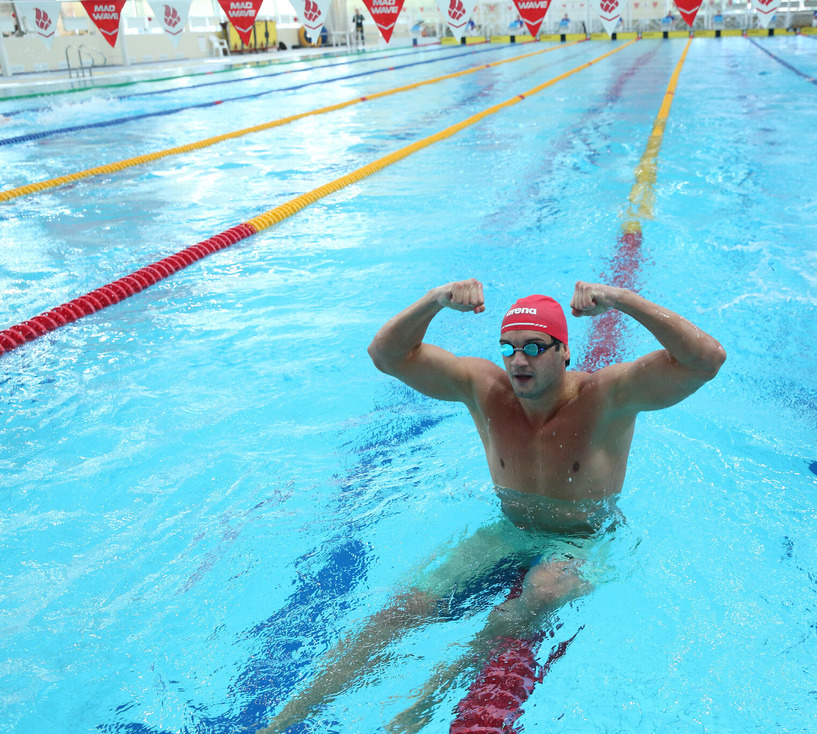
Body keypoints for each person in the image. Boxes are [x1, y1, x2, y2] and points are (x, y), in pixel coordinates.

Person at [258, 280, 724, 732]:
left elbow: (706, 359)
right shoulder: (484, 388)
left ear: (565, 351)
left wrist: (622, 300)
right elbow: (386, 355)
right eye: (508, 347)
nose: (518, 360)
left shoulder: (608, 396)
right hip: (510, 528)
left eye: (535, 347)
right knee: (405, 606)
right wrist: (434, 301)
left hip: (582, 537)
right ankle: (287, 717)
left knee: (540, 594)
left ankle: (433, 695)